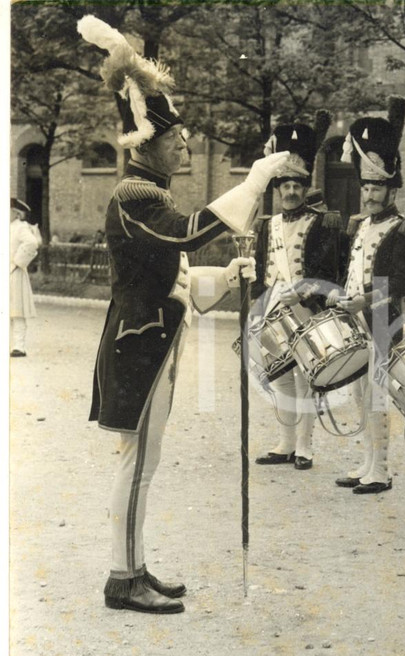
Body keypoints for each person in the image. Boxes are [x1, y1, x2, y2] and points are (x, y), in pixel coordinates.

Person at [79, 15, 298, 614]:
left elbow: (176, 277)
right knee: (136, 464)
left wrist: (227, 278)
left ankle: (133, 567)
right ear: (145, 141)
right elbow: (189, 234)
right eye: (174, 139)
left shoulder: (148, 194)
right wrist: (253, 182)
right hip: (137, 347)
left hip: (148, 344)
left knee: (143, 464)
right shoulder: (136, 196)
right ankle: (122, 577)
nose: (184, 145)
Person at [332, 96, 405, 494]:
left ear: (391, 190)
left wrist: (364, 302)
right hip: (353, 321)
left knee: (378, 397)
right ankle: (366, 461)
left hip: (384, 323)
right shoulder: (359, 225)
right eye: (365, 187)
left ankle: (381, 470)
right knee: (358, 394)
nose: (368, 195)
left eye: (376, 188)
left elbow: (402, 283)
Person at [250, 114, 350, 472]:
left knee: (308, 378)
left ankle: (305, 448)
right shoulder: (267, 226)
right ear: (277, 190)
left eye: (297, 186)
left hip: (306, 311)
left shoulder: (323, 223)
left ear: (306, 187)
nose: (291, 192)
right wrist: (256, 306)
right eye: (285, 186)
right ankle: (285, 442)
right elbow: (260, 272)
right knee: (278, 376)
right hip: (272, 311)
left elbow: (329, 272)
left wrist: (307, 297)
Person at [10, 197, 39, 357]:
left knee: (17, 311)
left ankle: (18, 346)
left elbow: (32, 243)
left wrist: (18, 261)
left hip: (15, 272)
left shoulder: (20, 227)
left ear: (16, 213)